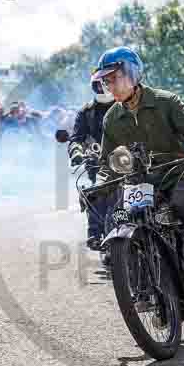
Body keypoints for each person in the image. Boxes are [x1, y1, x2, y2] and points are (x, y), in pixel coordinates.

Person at [92, 46, 184, 292]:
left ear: (132, 74)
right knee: (120, 215)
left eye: (114, 78)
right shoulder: (111, 118)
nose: (110, 86)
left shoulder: (165, 102)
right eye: (106, 81)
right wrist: (99, 184)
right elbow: (108, 161)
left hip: (177, 175)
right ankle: (139, 280)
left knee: (182, 204)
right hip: (139, 182)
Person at [69, 74, 116, 250]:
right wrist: (76, 153)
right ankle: (95, 233)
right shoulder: (86, 111)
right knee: (95, 191)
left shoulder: (125, 104)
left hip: (128, 160)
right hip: (97, 162)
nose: (102, 88)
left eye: (105, 84)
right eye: (98, 85)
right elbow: (76, 138)